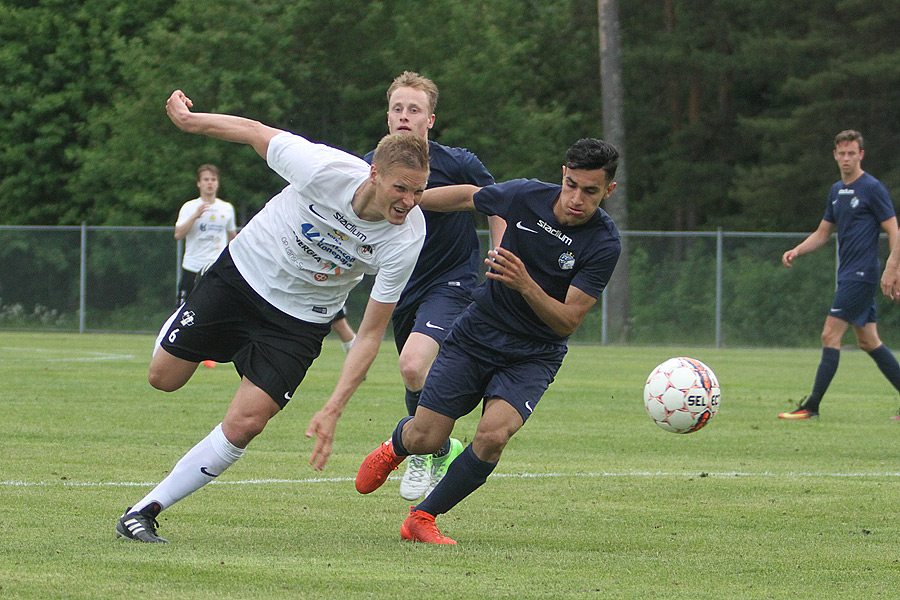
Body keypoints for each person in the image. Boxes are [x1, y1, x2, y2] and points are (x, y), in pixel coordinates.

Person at [115, 89, 429, 543]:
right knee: (163, 378)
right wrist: (190, 121)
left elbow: (369, 334)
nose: (409, 202)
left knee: (246, 424)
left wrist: (333, 407)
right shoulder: (322, 168)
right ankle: (187, 311)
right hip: (244, 274)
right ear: (375, 175)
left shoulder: (406, 238)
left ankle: (143, 511)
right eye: (401, 189)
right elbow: (253, 132)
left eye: (418, 191)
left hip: (300, 320)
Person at [355, 138, 622, 544]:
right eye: (571, 185)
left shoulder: (604, 242)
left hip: (534, 353)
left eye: (590, 192)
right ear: (562, 176)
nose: (576, 198)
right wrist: (412, 201)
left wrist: (525, 283)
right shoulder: (526, 196)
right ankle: (397, 446)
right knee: (427, 438)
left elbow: (568, 320)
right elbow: (469, 196)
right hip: (477, 334)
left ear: (608, 191)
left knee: (494, 436)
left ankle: (422, 517)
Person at [363, 71, 501, 502]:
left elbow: (498, 203)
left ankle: (420, 451)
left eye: (415, 110)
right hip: (400, 285)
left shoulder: (457, 162)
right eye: (398, 108)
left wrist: (499, 251)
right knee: (415, 375)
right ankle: (439, 445)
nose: (405, 116)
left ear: (430, 120)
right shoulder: (369, 166)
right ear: (388, 117)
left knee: (412, 365)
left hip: (451, 281)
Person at [779, 130, 900, 420]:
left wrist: (893, 268)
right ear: (835, 155)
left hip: (862, 275)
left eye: (852, 153)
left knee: (829, 335)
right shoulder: (836, 191)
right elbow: (823, 233)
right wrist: (797, 250)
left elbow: (895, 231)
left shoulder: (872, 188)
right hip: (847, 275)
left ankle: (812, 406)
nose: (846, 158)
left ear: (861, 155)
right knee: (869, 342)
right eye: (841, 153)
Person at [174, 164, 236, 305]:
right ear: (199, 183)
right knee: (184, 310)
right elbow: (178, 235)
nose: (210, 183)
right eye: (206, 179)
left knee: (216, 308)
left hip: (215, 268)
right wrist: (195, 216)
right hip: (193, 267)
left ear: (217, 183)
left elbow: (232, 236)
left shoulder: (226, 208)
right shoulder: (189, 207)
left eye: (213, 179)